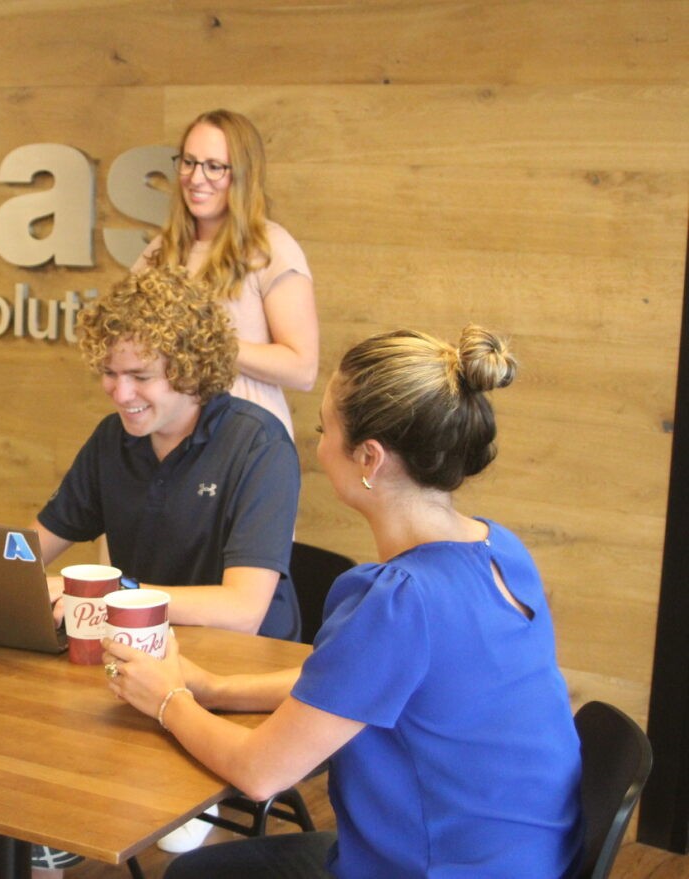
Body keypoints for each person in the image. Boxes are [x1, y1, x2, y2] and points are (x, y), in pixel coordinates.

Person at [103, 326, 583, 878]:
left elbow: (261, 774)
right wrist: (213, 689)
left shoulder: (399, 603)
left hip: (439, 868)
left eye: (323, 429)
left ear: (369, 458)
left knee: (191, 874)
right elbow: (360, 680)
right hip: (530, 860)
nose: (318, 446)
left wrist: (169, 702)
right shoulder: (501, 550)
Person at [36, 265, 301, 640]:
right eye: (110, 373)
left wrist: (108, 595)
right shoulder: (113, 438)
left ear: (191, 370)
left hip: (240, 662)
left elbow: (242, 610)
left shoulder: (258, 445)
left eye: (141, 377)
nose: (120, 393)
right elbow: (30, 547)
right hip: (141, 645)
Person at [136, 108, 318, 437]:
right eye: (189, 162)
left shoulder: (271, 248)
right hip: (172, 438)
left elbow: (302, 369)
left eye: (214, 167)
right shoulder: (160, 250)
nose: (196, 177)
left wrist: (208, 342)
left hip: (244, 438)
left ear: (243, 174)